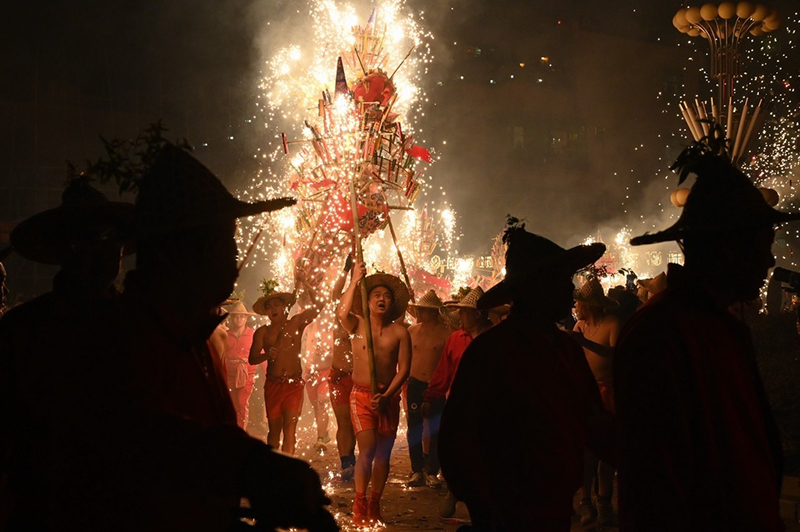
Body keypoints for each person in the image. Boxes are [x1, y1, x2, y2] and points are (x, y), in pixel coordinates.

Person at [614, 149, 796, 531]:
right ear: (731, 247)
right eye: (763, 245)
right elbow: (657, 487)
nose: (768, 262)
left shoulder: (723, 329)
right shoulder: (661, 334)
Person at [439, 223, 613, 532]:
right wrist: (482, 507)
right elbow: (457, 437)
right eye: (562, 280)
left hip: (553, 510)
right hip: (502, 511)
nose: (570, 291)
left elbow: (593, 422)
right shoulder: (490, 353)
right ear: (537, 286)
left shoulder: (565, 351)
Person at [0, 179, 134, 529]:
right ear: (62, 250)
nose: (98, 252)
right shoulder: (22, 332)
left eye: (108, 238)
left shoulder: (141, 329)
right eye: (82, 241)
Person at [337, 263, 411, 527]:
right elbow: (341, 312)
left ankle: (374, 502)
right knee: (367, 449)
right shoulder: (357, 325)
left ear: (392, 303)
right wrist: (355, 280)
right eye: (376, 295)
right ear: (367, 301)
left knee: (383, 455)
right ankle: (359, 502)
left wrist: (388, 395)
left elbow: (404, 370)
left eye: (386, 296)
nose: (382, 299)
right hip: (361, 396)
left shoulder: (400, 332)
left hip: (388, 399)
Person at [422, 286, 492, 519]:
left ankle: (479, 502)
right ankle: (453, 491)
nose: (459, 317)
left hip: (487, 408)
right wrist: (430, 397)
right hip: (458, 406)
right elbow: (444, 372)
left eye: (464, 313)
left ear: (478, 315)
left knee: (484, 455)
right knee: (457, 452)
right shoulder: (455, 339)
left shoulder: (494, 338)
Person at [570, 277, 621, 527]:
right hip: (586, 396)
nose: (575, 306)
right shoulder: (580, 326)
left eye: (578, 303)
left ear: (588, 305)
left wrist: (585, 343)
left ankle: (603, 502)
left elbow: (620, 355)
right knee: (586, 453)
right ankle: (585, 501)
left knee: (607, 453)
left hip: (609, 396)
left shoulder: (612, 323)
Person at [250, 279, 321, 455]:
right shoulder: (263, 332)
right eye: (269, 307)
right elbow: (252, 358)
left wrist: (307, 284)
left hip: (294, 384)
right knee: (274, 430)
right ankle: (273, 468)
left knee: (290, 429)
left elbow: (319, 306)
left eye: (277, 305)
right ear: (266, 312)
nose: (273, 309)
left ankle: (287, 468)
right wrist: (267, 355)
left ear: (284, 307)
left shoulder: (296, 323)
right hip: (273, 385)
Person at [405, 289, 451, 487]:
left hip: (435, 385)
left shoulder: (446, 333)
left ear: (433, 312)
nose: (420, 313)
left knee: (435, 429)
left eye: (424, 310)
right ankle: (417, 470)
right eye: (419, 309)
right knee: (414, 427)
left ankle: (432, 470)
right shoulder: (411, 332)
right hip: (414, 383)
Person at [328, 261, 357, 481]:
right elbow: (334, 293)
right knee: (343, 421)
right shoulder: (341, 311)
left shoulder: (365, 314)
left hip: (359, 378)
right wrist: (347, 270)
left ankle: (354, 460)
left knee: (357, 424)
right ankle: (346, 462)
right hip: (338, 376)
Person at [224, 301, 258, 429]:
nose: (239, 319)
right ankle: (233, 431)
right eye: (236, 316)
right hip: (230, 375)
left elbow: (260, 353)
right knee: (232, 404)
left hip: (247, 374)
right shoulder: (227, 334)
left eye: (242, 316)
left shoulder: (253, 334)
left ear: (246, 318)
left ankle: (241, 431)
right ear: (232, 318)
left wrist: (268, 374)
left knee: (242, 402)